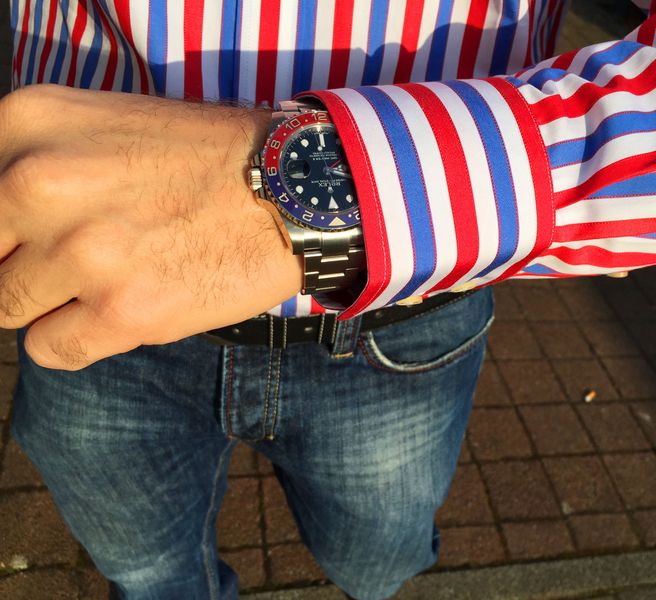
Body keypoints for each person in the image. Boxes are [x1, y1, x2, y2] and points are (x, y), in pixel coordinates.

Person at [6, 1, 656, 599]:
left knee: (381, 566)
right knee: (146, 575)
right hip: (87, 293)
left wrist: (366, 183)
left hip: (402, 320)